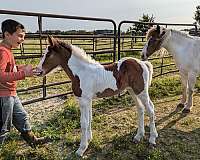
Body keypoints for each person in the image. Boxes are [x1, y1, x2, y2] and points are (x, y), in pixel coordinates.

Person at [0, 19, 47, 148]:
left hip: (11, 93)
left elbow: (10, 69)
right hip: (3, 95)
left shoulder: (7, 50)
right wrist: (24, 74)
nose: (22, 39)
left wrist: (23, 68)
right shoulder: (3, 52)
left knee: (22, 117)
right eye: (20, 36)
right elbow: (1, 75)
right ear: (7, 34)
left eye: (24, 37)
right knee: (3, 127)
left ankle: (33, 140)